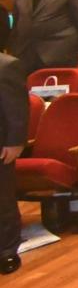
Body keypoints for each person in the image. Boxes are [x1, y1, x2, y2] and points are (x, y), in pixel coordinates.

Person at [0, 51, 25, 274]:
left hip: (2, 146)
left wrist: (15, 142)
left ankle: (7, 251)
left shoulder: (6, 65)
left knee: (3, 199)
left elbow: (16, 108)